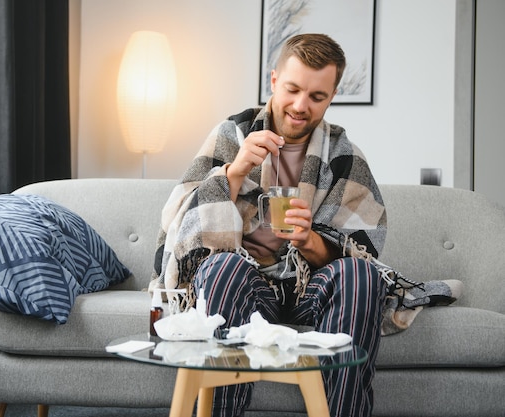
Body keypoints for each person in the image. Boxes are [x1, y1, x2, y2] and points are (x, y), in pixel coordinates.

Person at [150, 33, 387, 417]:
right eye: (292, 89)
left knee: (361, 276)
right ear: (273, 80)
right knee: (222, 269)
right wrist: (235, 171)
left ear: (333, 95)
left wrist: (310, 240)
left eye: (317, 97)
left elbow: (362, 245)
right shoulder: (233, 135)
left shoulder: (344, 157)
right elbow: (178, 220)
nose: (300, 106)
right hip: (247, 285)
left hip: (311, 291)